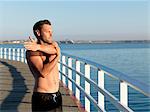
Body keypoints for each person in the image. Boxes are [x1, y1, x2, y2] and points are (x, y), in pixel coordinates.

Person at [24, 20, 62, 112]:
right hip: (43, 97)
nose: (51, 34)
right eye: (47, 31)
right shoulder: (32, 51)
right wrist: (58, 57)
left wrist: (39, 47)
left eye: (51, 31)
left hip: (57, 95)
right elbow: (43, 72)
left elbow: (55, 48)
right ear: (38, 32)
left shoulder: (51, 45)